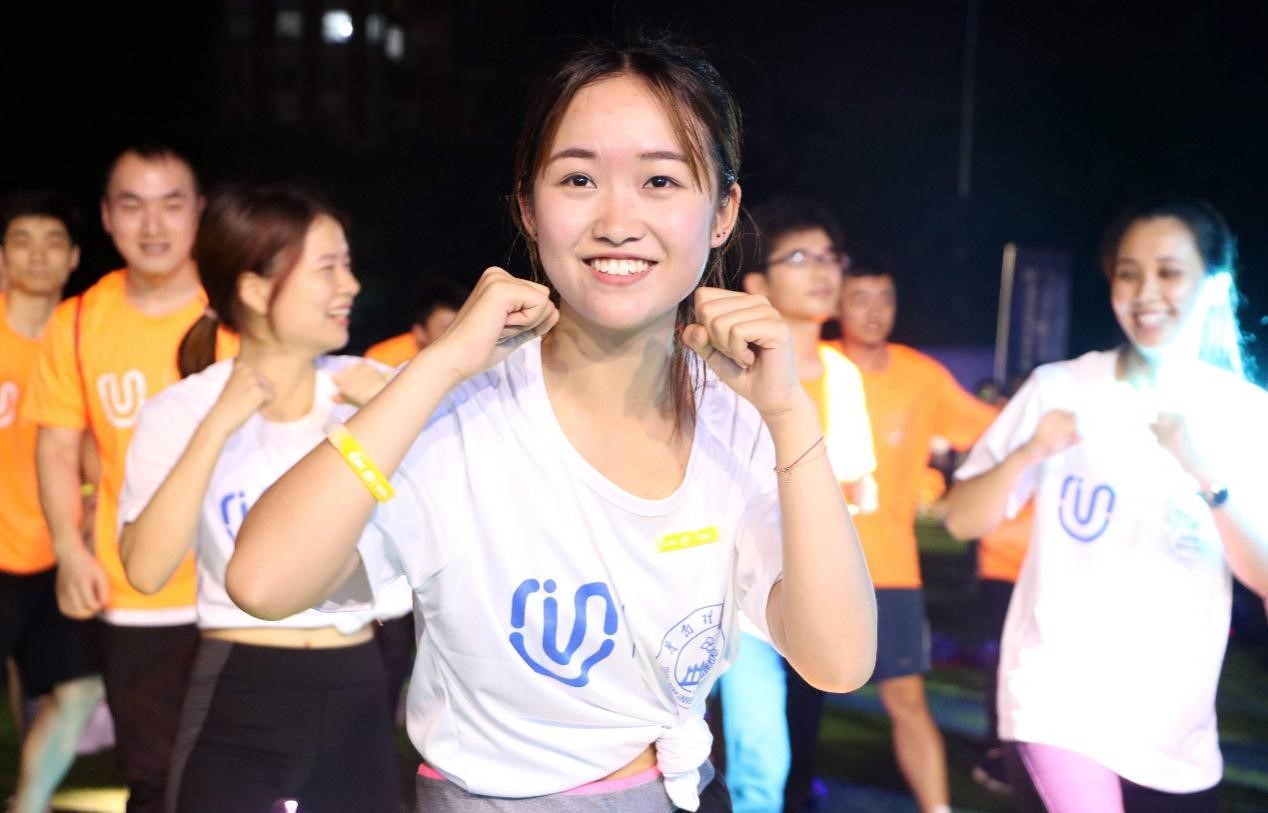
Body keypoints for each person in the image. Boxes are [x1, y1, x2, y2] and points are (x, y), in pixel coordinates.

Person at [227, 35, 878, 812]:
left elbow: (839, 660)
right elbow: (262, 581)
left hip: (682, 792)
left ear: (722, 213)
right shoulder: (458, 412)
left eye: (660, 180)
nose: (617, 220)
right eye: (578, 178)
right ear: (529, 209)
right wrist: (437, 367)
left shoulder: (737, 418)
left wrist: (790, 415)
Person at [945, 196, 1268, 813]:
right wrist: (1028, 452)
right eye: (1128, 273)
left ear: (1213, 283)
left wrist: (1204, 472)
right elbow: (962, 518)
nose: (1146, 293)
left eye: (1169, 272)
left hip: (1176, 733)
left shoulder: (1245, 414)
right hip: (1056, 705)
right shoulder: (1061, 388)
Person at [116, 183, 400, 812]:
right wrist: (216, 427)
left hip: (358, 684)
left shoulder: (377, 394)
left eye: (347, 264)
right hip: (240, 688)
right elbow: (146, 569)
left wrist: (380, 424)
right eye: (327, 267)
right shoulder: (183, 410)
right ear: (252, 289)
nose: (350, 285)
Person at [22, 145, 237, 813]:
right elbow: (57, 447)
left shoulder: (240, 308)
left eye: (171, 204)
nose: (152, 225)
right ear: (109, 217)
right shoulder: (79, 321)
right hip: (136, 589)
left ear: (198, 213)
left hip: (238, 582)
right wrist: (70, 550)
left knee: (243, 770)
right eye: (133, 205)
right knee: (153, 779)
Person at [724, 196, 877, 813]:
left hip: (813, 583)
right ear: (758, 283)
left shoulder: (843, 375)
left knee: (789, 736)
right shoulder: (725, 370)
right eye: (799, 258)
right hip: (734, 585)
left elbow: (855, 483)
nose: (821, 271)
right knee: (752, 747)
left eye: (829, 257)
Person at [838, 251, 997, 813]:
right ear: (837, 303)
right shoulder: (816, 367)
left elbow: (991, 432)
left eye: (885, 298)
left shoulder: (921, 377)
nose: (874, 311)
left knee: (907, 699)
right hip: (806, 566)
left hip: (890, 568)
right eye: (860, 297)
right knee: (786, 702)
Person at [0, 192, 105, 813]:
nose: (37, 255)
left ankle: (28, 804)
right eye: (22, 241)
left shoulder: (87, 340)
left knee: (80, 689)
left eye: (52, 242)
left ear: (73, 258)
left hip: (61, 552)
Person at [365, 277, 467, 367]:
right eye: (446, 327)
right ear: (420, 332)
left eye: (462, 324)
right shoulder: (383, 360)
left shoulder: (469, 356)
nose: (456, 333)